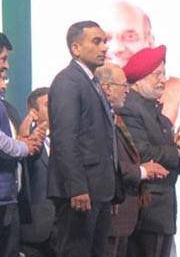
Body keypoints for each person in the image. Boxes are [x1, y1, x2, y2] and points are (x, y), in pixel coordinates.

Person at [117, 45, 180, 257]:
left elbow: (173, 167)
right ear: (138, 79)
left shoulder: (161, 118)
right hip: (143, 212)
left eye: (163, 74)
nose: (163, 80)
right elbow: (142, 155)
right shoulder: (129, 109)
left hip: (161, 211)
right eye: (156, 74)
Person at [47, 21, 120, 257]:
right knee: (75, 251)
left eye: (105, 42)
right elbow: (65, 138)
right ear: (76, 48)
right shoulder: (67, 81)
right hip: (80, 190)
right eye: (96, 42)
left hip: (98, 188)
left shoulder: (91, 81)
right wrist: (77, 186)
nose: (104, 48)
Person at [95, 63, 169, 257]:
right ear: (107, 88)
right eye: (123, 86)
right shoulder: (97, 119)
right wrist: (143, 171)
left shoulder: (115, 117)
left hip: (125, 216)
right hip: (110, 212)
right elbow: (107, 163)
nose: (128, 91)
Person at [103, 1, 180, 125]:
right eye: (106, 39)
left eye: (130, 37)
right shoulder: (92, 91)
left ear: (149, 41)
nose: (117, 48)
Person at [0, 33, 43, 257]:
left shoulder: (8, 108)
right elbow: (4, 144)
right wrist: (25, 146)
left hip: (10, 200)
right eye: (3, 60)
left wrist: (26, 141)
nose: (6, 66)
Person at [19, 87, 56, 257]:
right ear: (34, 112)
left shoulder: (66, 142)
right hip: (35, 233)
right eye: (49, 104)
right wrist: (28, 145)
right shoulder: (24, 145)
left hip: (63, 231)